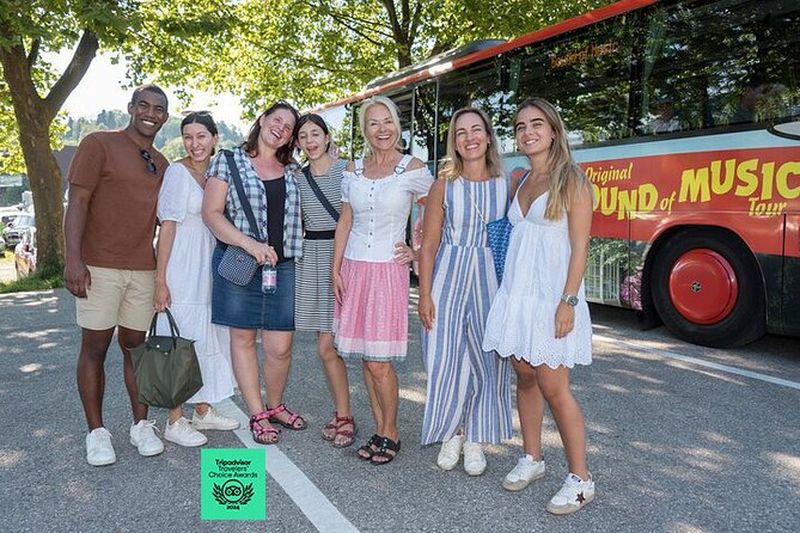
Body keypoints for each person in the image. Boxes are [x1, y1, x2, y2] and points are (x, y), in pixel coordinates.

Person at [482, 97, 595, 515]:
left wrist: (567, 302)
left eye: (537, 124)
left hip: (552, 300)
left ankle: (581, 479)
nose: (527, 132)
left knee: (553, 386)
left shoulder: (574, 182)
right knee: (525, 376)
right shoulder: (521, 179)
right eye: (520, 126)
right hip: (518, 297)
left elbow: (580, 248)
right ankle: (532, 457)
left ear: (553, 131)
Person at [65, 84, 170, 466]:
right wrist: (73, 260)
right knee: (94, 349)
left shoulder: (162, 163)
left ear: (165, 118)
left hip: (143, 269)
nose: (150, 113)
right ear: (130, 107)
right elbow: (77, 203)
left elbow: (167, 220)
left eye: (158, 109)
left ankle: (141, 425)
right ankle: (96, 433)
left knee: (136, 350)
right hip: (98, 266)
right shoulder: (98, 144)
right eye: (143, 105)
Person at [333, 96, 433, 465]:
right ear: (365, 130)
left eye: (387, 121)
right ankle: (378, 429)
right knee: (364, 356)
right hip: (354, 268)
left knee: (379, 362)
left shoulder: (413, 168)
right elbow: (345, 220)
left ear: (397, 124)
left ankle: (391, 432)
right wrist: (335, 268)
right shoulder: (353, 169)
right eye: (374, 123)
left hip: (387, 270)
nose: (382, 130)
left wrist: (418, 251)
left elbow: (435, 212)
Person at [202, 101, 306, 445]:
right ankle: (257, 412)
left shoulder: (293, 170)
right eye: (276, 119)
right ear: (261, 119)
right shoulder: (228, 160)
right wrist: (250, 244)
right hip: (242, 263)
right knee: (243, 340)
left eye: (289, 127)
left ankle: (276, 405)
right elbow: (212, 214)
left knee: (280, 347)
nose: (281, 128)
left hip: (284, 265)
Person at [417, 107, 513, 476]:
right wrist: (425, 294)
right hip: (449, 275)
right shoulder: (444, 184)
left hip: (491, 278)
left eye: (476, 130)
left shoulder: (508, 183)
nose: (469, 137)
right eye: (461, 132)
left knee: (487, 359)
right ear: (454, 142)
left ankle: (475, 435)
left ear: (488, 136)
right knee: (444, 356)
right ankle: (451, 431)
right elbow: (428, 245)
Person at [153, 111, 239, 447]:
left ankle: (202, 410)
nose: (194, 144)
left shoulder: (219, 173)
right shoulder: (177, 172)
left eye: (201, 136)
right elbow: (168, 225)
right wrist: (161, 279)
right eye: (188, 137)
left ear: (215, 138)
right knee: (181, 339)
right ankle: (174, 420)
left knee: (208, 336)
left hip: (210, 265)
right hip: (182, 266)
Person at [293, 114, 356, 448]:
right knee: (326, 344)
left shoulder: (348, 169)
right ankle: (343, 413)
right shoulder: (297, 177)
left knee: (331, 345)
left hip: (345, 255)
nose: (310, 140)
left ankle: (346, 413)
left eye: (315, 133)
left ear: (328, 137)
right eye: (303, 136)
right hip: (313, 258)